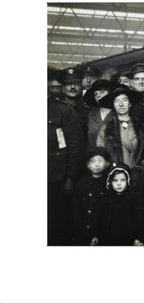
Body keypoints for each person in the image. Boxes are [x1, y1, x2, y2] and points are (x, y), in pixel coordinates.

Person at [48, 81, 85, 245]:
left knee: (58, 222)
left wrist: (70, 177)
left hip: (57, 178)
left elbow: (75, 146)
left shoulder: (63, 110)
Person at [97, 85, 144, 169]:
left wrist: (141, 167)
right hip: (117, 175)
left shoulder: (140, 126)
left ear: (130, 103)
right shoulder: (106, 128)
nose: (121, 104)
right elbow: (100, 152)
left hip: (138, 173)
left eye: (124, 100)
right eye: (116, 101)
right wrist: (111, 168)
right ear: (113, 105)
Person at [96, 162, 143, 246]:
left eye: (122, 180)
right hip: (109, 239)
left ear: (128, 180)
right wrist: (97, 236)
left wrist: (137, 238)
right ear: (110, 182)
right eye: (115, 180)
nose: (119, 184)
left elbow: (138, 220)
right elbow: (100, 221)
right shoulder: (106, 199)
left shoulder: (132, 199)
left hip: (127, 239)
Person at [72, 147, 110, 245]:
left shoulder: (109, 183)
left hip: (103, 230)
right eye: (93, 161)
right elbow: (77, 208)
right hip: (85, 228)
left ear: (106, 164)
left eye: (100, 161)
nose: (97, 164)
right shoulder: (82, 184)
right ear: (88, 165)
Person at [83, 79, 116, 148]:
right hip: (94, 156)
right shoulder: (90, 115)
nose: (98, 95)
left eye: (102, 92)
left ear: (110, 93)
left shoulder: (117, 113)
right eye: (96, 94)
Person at [57, 67, 89, 136]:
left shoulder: (87, 109)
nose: (73, 87)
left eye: (76, 84)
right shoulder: (56, 108)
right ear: (63, 88)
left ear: (81, 86)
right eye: (69, 84)